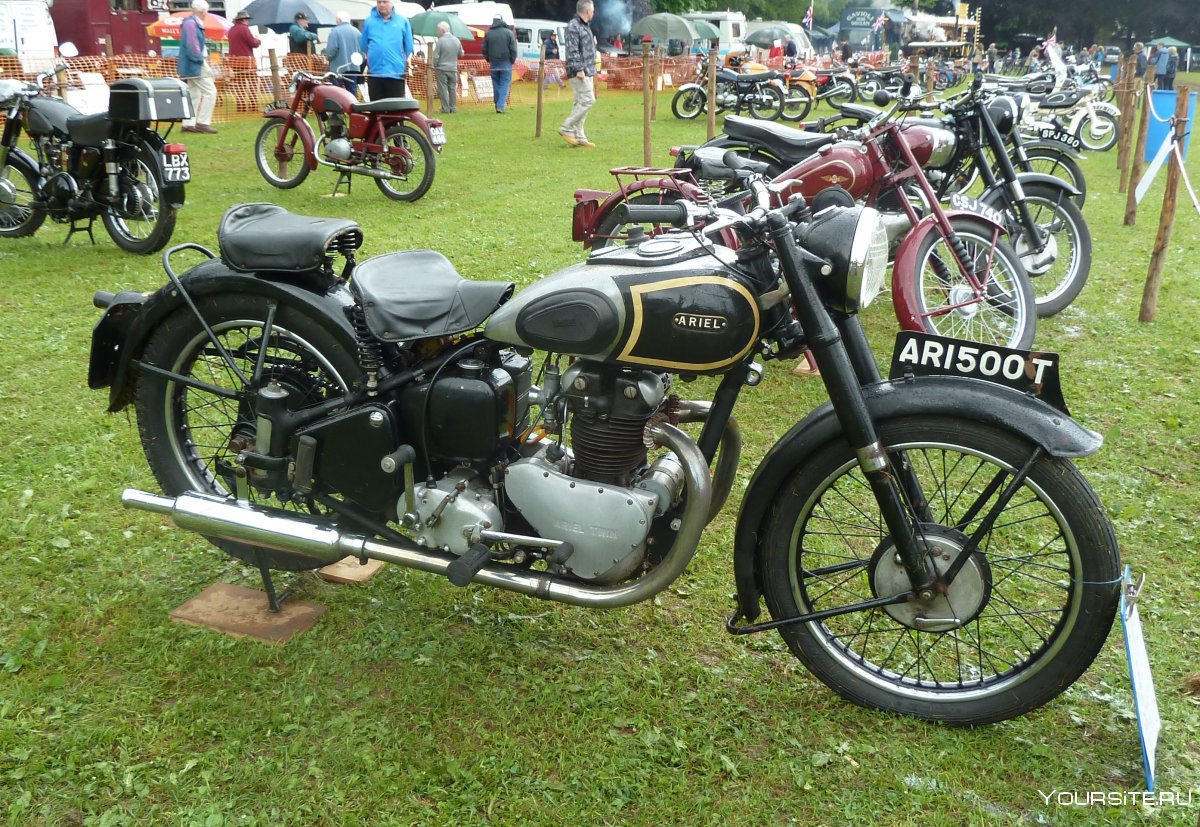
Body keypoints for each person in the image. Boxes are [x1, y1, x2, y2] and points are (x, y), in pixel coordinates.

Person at [559, 0, 596, 148]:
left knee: (580, 102)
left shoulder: (583, 26)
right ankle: (566, 127)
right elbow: (572, 49)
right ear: (587, 11)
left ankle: (579, 136)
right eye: (592, 10)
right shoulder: (574, 26)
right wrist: (579, 69)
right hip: (579, 71)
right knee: (588, 100)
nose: (593, 13)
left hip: (587, 70)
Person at [177, 0, 217, 134]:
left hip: (190, 65)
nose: (207, 13)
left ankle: (188, 124)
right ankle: (203, 123)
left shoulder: (190, 23)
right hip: (195, 64)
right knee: (210, 91)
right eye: (206, 11)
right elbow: (193, 47)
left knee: (194, 93)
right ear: (203, 11)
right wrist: (200, 60)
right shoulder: (191, 24)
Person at [360, 0, 413, 99]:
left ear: (392, 3)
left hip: (395, 73)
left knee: (395, 110)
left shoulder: (403, 21)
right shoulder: (369, 21)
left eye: (385, 2)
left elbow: (409, 46)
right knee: (376, 109)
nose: (381, 4)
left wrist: (399, 60)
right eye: (379, 2)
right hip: (375, 73)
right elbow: (363, 45)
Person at [481, 15, 517, 113]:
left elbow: (484, 49)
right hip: (506, 62)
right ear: (502, 20)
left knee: (496, 83)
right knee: (505, 83)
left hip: (493, 62)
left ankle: (497, 102)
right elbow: (513, 49)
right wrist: (512, 60)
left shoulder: (489, 33)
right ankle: (500, 106)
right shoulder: (509, 33)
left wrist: (488, 59)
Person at [325, 11, 362, 97]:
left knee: (336, 94)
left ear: (339, 20)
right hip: (354, 68)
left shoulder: (335, 31)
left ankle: (337, 111)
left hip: (338, 69)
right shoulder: (357, 32)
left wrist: (328, 58)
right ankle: (353, 110)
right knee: (352, 93)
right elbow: (362, 51)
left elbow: (331, 51)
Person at [433, 20, 463, 113]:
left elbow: (436, 56)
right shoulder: (456, 40)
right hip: (453, 68)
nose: (438, 32)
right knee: (452, 88)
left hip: (442, 68)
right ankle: (453, 107)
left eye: (439, 30)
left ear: (442, 30)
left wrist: (435, 65)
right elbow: (461, 54)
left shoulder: (440, 41)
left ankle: (445, 108)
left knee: (443, 89)